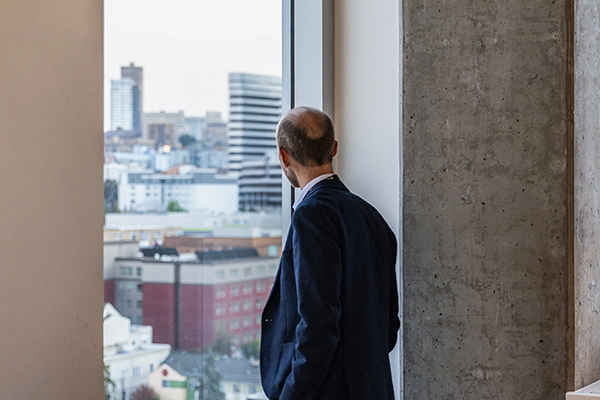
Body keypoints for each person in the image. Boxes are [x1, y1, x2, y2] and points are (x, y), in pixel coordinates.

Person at [260, 106, 399, 399]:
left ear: (284, 156)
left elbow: (318, 324)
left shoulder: (312, 216)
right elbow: (389, 327)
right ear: (333, 148)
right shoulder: (371, 216)